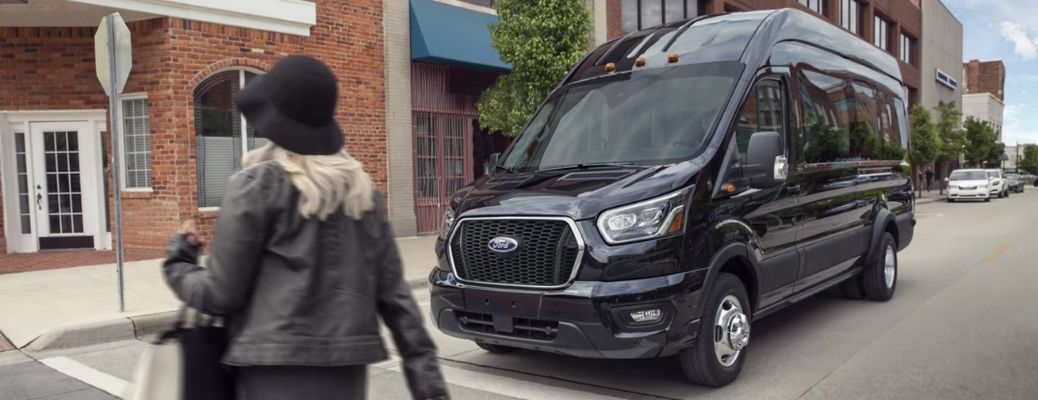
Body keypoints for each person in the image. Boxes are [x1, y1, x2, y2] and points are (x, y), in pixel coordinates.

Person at [162, 55, 448, 400]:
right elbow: (398, 303)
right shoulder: (363, 198)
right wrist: (431, 391)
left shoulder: (255, 187)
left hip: (270, 376)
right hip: (346, 378)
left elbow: (220, 294)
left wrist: (179, 261)